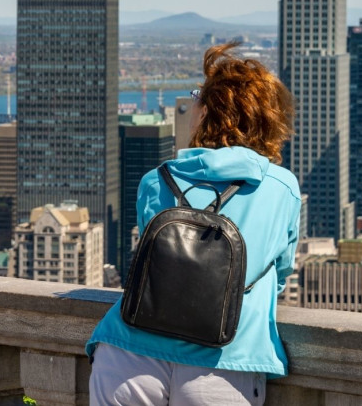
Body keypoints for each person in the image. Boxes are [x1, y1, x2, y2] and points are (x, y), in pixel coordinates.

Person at [86, 42, 301, 406]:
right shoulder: (282, 188)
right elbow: (279, 272)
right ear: (268, 120)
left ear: (205, 113)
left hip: (127, 351)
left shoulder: (157, 179)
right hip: (223, 360)